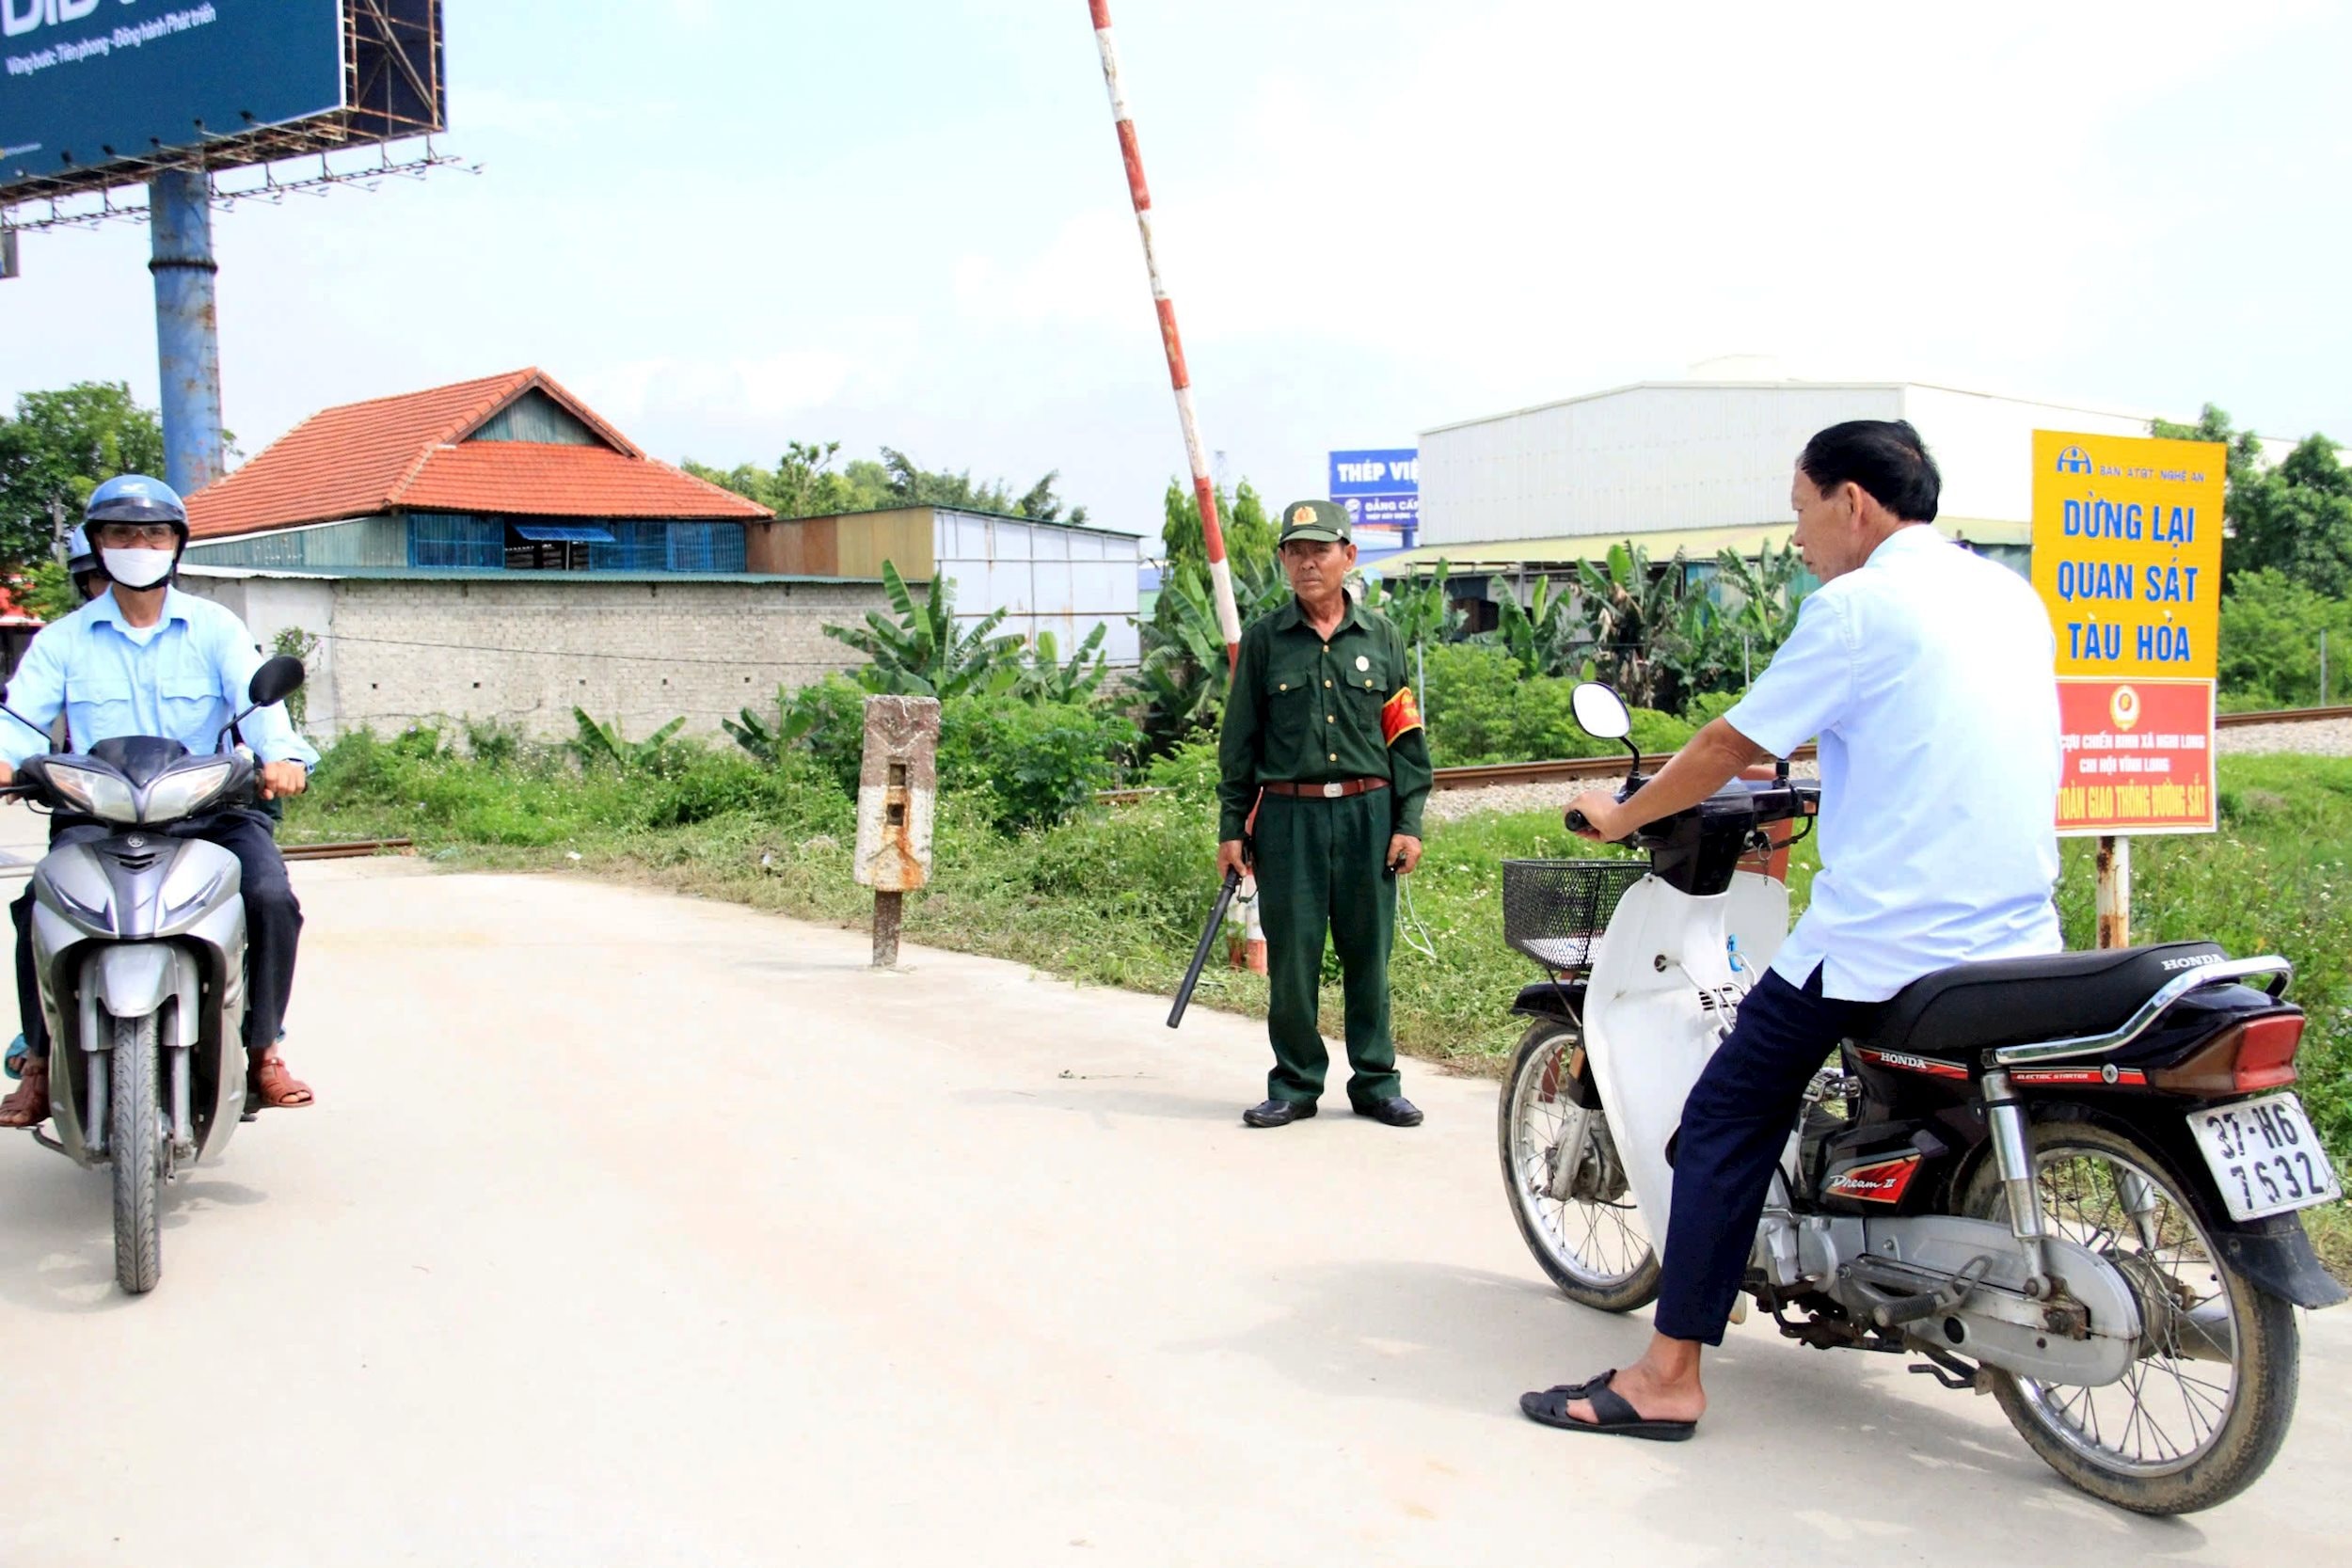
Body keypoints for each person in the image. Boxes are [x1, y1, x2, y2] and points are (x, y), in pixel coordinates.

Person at [1520, 420, 2061, 1439]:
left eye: (1801, 510)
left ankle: (1668, 1374)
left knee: (1725, 1114)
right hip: (2019, 929)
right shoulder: (2008, 596)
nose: (1798, 536)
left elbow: (1729, 741)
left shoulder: (1856, 605)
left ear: (1851, 502)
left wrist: (1622, 813)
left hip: (1889, 940)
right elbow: (1927, 735)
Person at [0, 475, 319, 1126]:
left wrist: (282, 758)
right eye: (121, 533)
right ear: (99, 545)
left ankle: (262, 1046)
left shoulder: (215, 628)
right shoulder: (62, 641)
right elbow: (20, 724)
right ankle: (38, 1057)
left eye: (153, 533)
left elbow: (260, 709)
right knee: (38, 906)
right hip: (97, 815)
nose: (138, 544)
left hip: (210, 810)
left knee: (269, 896)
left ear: (176, 545)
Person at [1216, 499, 1433, 1130]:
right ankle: (1295, 1082)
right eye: (1295, 551)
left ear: (1348, 556)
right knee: (1293, 958)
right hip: (1289, 820)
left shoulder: (1382, 636)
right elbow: (1240, 744)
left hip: (1369, 815)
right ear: (1283, 560)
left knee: (1370, 955)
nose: (1307, 562)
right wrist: (1233, 826)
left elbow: (1405, 739)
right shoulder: (1263, 641)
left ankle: (1376, 1081)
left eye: (1320, 549)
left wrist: (1408, 819)